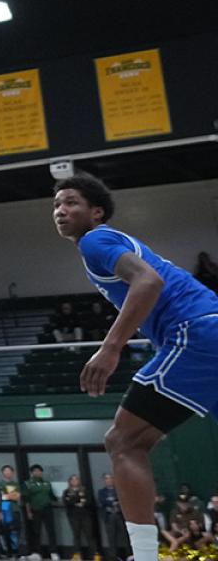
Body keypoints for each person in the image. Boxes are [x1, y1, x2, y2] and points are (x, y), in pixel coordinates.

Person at [54, 172, 218, 561]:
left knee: (123, 442)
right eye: (56, 205)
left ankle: (145, 557)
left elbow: (148, 282)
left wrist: (111, 348)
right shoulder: (107, 244)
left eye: (71, 202)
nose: (61, 211)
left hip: (197, 334)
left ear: (96, 212)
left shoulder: (96, 240)